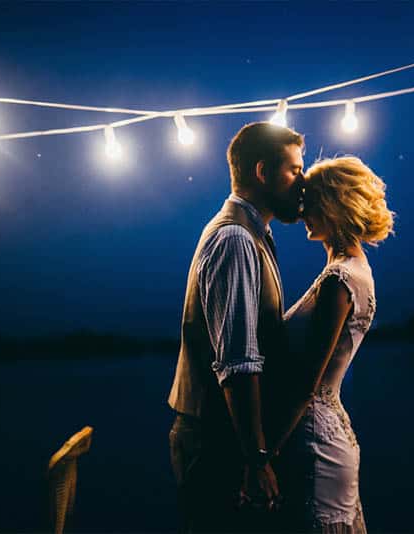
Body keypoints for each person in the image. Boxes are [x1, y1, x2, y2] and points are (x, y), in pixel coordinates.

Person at [167, 122, 305, 533]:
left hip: (223, 439)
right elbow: (238, 364)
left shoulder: (252, 234)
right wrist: (256, 458)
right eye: (294, 170)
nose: (303, 183)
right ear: (262, 172)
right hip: (216, 443)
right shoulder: (236, 239)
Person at [265, 156, 395, 534]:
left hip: (315, 445)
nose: (302, 210)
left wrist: (262, 455)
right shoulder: (352, 269)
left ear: (335, 206)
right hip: (324, 434)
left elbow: (307, 382)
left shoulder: (339, 280)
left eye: (312, 201)